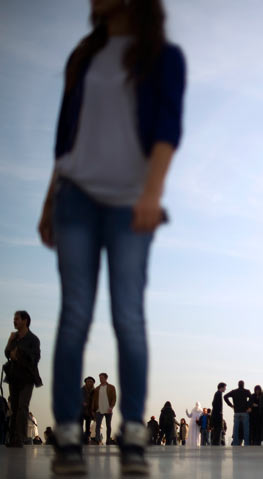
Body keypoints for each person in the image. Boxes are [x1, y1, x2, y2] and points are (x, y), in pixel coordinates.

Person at [40, 0, 186, 473]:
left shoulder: (163, 56)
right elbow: (65, 138)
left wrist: (152, 192)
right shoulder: (83, 55)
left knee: (128, 314)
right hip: (75, 196)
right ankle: (66, 432)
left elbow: (167, 130)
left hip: (130, 199)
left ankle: (135, 433)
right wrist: (49, 200)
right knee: (75, 314)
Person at [4, 310, 43, 448]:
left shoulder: (33, 339)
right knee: (14, 407)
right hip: (14, 376)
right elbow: (7, 353)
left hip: (27, 378)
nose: (14, 321)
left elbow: (36, 357)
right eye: (14, 319)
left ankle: (20, 437)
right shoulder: (14, 338)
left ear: (25, 321)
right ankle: (13, 437)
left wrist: (19, 354)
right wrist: (10, 343)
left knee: (22, 406)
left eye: (17, 319)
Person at [224, 380, 251, 446]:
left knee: (235, 429)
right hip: (244, 412)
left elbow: (225, 396)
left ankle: (235, 444)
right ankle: (246, 444)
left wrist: (231, 405)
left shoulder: (234, 391)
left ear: (238, 385)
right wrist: (248, 406)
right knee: (246, 429)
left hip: (237, 412)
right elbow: (251, 398)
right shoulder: (247, 391)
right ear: (243, 385)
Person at [91, 373, 116, 445]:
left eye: (102, 377)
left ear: (106, 378)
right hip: (99, 409)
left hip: (108, 409)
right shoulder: (97, 389)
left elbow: (114, 398)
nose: (100, 379)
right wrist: (93, 409)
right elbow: (94, 400)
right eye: (99, 378)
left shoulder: (111, 387)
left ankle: (108, 440)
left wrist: (111, 407)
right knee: (97, 425)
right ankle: (97, 439)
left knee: (108, 425)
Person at [80, 377, 95, 444]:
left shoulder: (94, 390)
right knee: (80, 424)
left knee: (88, 425)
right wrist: (82, 402)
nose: (89, 382)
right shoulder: (81, 390)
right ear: (85, 382)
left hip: (89, 410)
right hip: (81, 410)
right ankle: (80, 437)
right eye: (88, 381)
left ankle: (86, 438)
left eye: (91, 381)